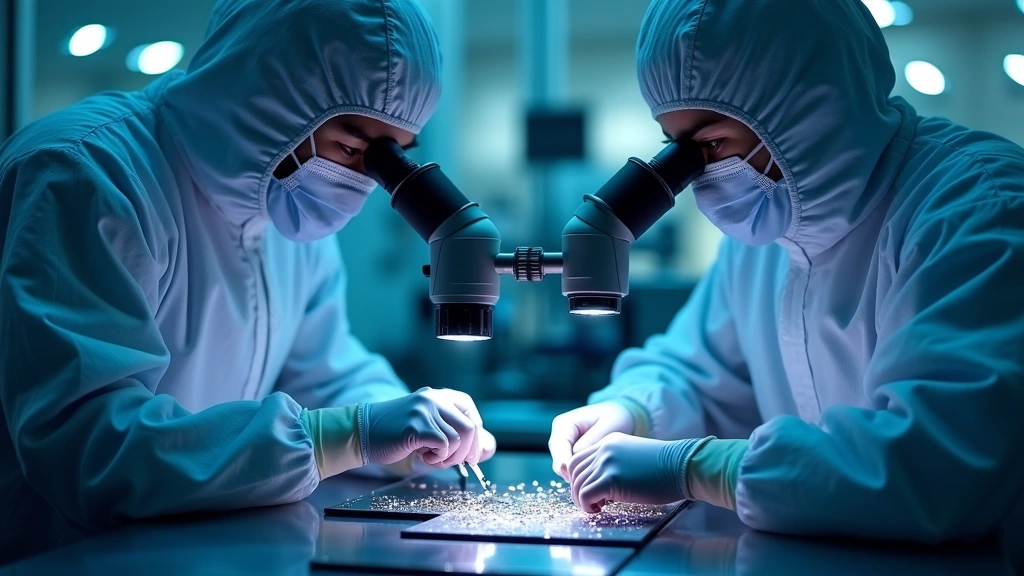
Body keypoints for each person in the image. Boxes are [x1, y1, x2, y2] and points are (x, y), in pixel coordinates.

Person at [0, 0, 494, 563]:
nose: (361, 183)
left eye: (390, 159)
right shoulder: (88, 175)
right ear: (273, 102)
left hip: (197, 549)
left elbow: (322, 375)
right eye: (353, 148)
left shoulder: (286, 218)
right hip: (60, 555)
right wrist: (349, 434)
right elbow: (91, 449)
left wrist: (410, 433)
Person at [550, 0, 1024, 562]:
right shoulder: (764, 241)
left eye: (711, 146)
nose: (700, 177)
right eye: (676, 147)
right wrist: (633, 410)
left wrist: (699, 468)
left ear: (803, 109)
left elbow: (938, 468)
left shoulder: (974, 206)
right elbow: (696, 372)